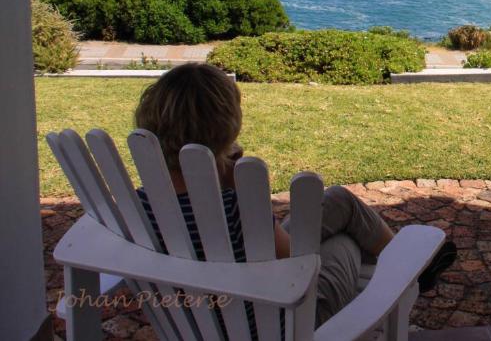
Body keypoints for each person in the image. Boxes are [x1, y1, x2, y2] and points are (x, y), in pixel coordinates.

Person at [133, 63, 455, 329]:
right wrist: (234, 189)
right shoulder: (234, 204)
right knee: (344, 242)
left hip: (199, 321)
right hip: (287, 322)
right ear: (225, 129)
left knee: (339, 200)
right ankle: (409, 271)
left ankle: (413, 267)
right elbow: (296, 259)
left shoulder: (138, 205)